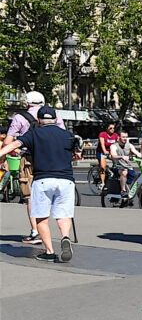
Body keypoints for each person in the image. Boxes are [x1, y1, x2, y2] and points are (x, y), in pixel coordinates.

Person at [0, 106, 81, 262]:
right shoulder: (68, 135)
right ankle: (65, 237)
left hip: (43, 180)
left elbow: (14, 145)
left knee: (41, 218)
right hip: (65, 180)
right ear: (56, 119)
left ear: (38, 120)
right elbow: (77, 156)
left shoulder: (34, 133)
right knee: (64, 215)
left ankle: (49, 251)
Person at [5, 91, 65, 245]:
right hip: (51, 159)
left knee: (31, 195)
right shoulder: (55, 116)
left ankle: (36, 231)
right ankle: (63, 232)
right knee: (55, 193)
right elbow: (63, 135)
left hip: (29, 158)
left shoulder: (20, 118)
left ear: (27, 103)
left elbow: (8, 141)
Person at [97, 122, 121, 188]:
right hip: (102, 151)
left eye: (113, 128)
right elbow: (102, 144)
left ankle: (112, 171)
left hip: (111, 152)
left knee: (117, 162)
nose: (112, 129)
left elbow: (119, 143)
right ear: (107, 129)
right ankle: (102, 183)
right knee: (102, 167)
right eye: (111, 128)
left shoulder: (115, 135)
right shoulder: (102, 134)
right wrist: (105, 151)